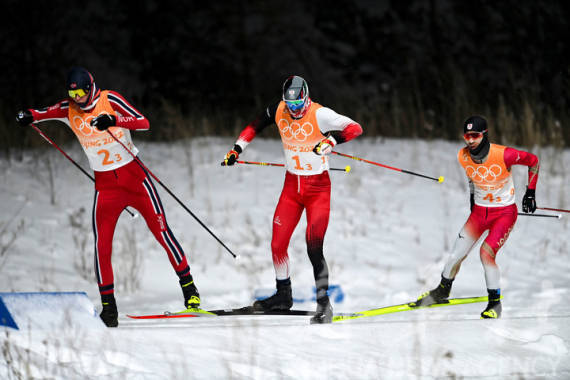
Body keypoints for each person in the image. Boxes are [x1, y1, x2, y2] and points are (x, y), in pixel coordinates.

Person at [16, 67, 200, 327]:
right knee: (102, 246)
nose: (77, 97)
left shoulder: (110, 100)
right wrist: (27, 115)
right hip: (106, 188)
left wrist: (113, 121)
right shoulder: (69, 108)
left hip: (136, 180)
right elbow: (41, 113)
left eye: (81, 92)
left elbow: (143, 122)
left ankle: (189, 289)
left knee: (162, 232)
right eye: (72, 93)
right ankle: (109, 308)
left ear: (91, 87)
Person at [222, 75, 362, 324]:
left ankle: (323, 304)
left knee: (314, 248)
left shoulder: (320, 114)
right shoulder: (279, 109)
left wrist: (331, 141)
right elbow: (254, 126)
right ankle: (283, 295)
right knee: (277, 245)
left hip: (317, 189)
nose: (294, 110)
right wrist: (236, 149)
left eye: (298, 105)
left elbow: (354, 128)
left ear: (306, 99)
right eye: (290, 105)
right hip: (292, 188)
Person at [412, 115, 539, 318]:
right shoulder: (462, 155)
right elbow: (472, 176)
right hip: (480, 212)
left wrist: (530, 192)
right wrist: (472, 196)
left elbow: (533, 161)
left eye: (475, 135)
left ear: (484, 134)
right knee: (456, 253)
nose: (470, 140)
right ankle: (442, 291)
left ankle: (494, 304)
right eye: (467, 135)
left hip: (504, 213)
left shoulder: (505, 154)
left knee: (486, 253)